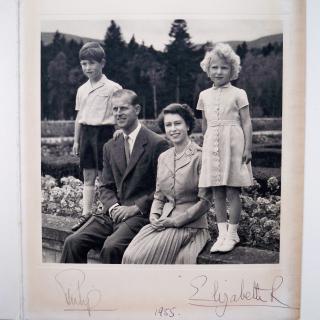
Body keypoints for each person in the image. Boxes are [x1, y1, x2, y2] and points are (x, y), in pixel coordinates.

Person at [60, 89, 169, 263]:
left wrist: (136, 207)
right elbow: (105, 186)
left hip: (139, 215)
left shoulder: (157, 143)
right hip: (113, 214)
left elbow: (163, 187)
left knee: (112, 247)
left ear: (137, 109)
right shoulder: (110, 146)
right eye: (115, 109)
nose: (118, 113)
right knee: (72, 242)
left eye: (123, 109)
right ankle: (72, 289)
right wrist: (113, 207)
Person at [122, 103, 211, 264]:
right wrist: (154, 216)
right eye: (168, 125)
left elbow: (205, 202)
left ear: (188, 125)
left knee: (138, 258)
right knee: (129, 255)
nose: (173, 129)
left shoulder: (201, 157)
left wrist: (176, 221)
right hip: (163, 223)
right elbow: (159, 195)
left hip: (191, 226)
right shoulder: (164, 157)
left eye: (177, 123)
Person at [196, 43, 253, 253]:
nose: (219, 72)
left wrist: (248, 148)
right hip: (213, 143)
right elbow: (204, 124)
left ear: (232, 71)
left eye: (224, 68)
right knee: (216, 190)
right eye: (215, 67)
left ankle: (233, 233)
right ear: (208, 70)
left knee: (232, 189)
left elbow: (246, 122)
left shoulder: (239, 93)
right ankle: (221, 234)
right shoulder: (204, 95)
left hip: (234, 142)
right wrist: (206, 145)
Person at [71, 42, 122, 232]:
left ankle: (105, 213)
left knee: (105, 176)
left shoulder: (113, 87)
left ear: (102, 63)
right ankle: (86, 215)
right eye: (84, 64)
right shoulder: (82, 89)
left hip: (105, 133)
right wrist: (76, 140)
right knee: (88, 175)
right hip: (87, 134)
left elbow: (120, 112)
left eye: (92, 63)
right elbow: (79, 117)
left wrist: (120, 131)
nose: (87, 68)